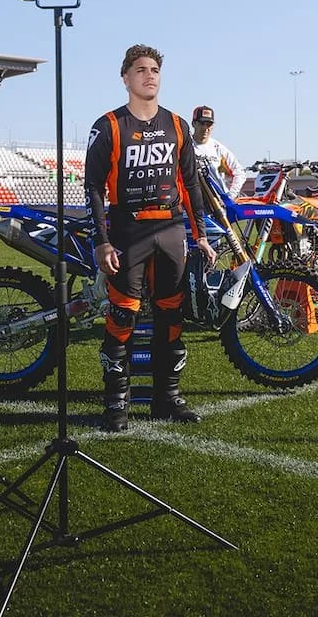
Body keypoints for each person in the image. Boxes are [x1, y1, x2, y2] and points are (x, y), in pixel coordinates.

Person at [84, 44, 218, 432]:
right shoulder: (108, 125)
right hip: (128, 231)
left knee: (171, 315)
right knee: (122, 315)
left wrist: (201, 236)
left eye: (155, 70)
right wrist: (102, 241)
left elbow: (190, 184)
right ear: (125, 78)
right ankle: (116, 404)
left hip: (171, 230)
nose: (149, 75)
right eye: (140, 69)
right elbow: (93, 188)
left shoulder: (177, 125)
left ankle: (167, 398)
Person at [190, 105, 247, 197]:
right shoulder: (185, 146)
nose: (205, 128)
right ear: (193, 124)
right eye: (202, 123)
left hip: (217, 200)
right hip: (191, 199)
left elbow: (240, 173)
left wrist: (231, 195)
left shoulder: (218, 148)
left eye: (209, 124)